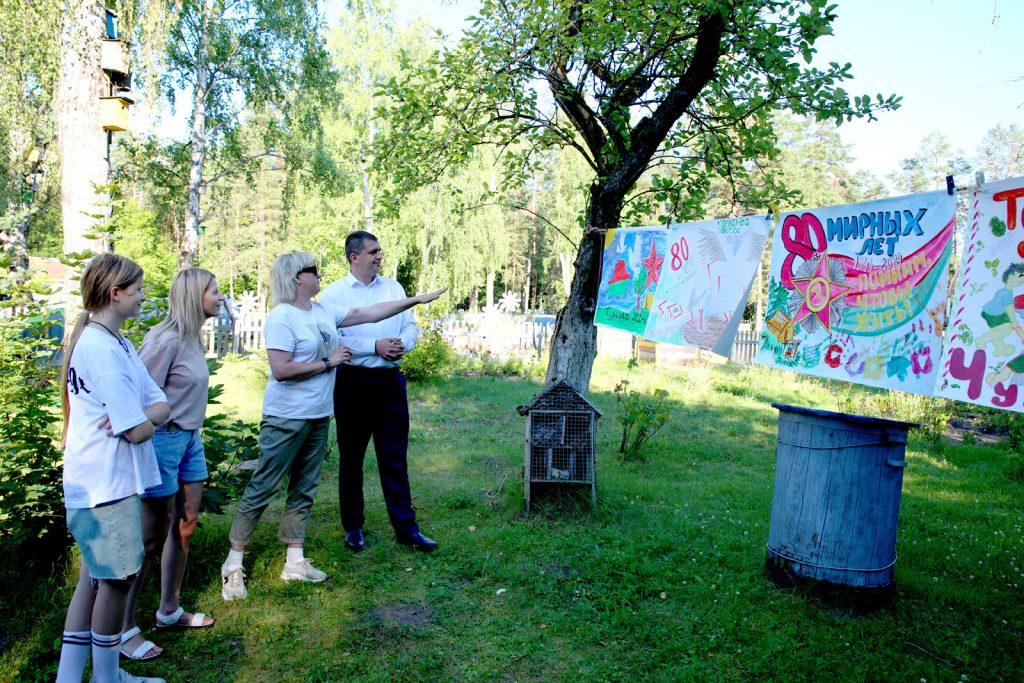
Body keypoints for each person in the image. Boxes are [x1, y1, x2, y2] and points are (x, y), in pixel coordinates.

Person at [220, 251, 444, 600]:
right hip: (286, 417)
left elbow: (367, 313)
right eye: (312, 270)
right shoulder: (282, 317)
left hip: (317, 414)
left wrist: (413, 300)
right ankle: (233, 565)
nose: (318, 273)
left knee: (304, 487)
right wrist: (329, 361)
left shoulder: (322, 310)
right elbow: (280, 369)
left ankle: (294, 561)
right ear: (297, 277)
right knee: (265, 485)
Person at [56, 253, 169, 683]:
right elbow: (135, 429)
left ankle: (70, 679)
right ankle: (107, 679)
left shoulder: (115, 341)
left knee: (93, 580)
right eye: (137, 289)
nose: (142, 296)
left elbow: (157, 404)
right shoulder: (101, 349)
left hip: (104, 484)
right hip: (104, 487)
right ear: (115, 293)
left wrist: (148, 417)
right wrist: (147, 418)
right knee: (117, 582)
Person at [119, 269, 222, 662]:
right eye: (214, 291)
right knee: (148, 538)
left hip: (189, 439)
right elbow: (137, 393)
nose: (221, 296)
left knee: (186, 523)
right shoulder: (165, 340)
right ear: (195, 295)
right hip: (163, 441)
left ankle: (169, 611)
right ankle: (124, 629)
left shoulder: (192, 337)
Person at [319, 231, 437, 553]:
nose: (379, 256)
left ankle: (406, 528)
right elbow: (333, 342)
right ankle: (353, 527)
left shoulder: (394, 288)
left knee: (394, 458)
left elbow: (410, 326)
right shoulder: (334, 294)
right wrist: (374, 346)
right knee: (352, 458)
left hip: (389, 384)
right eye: (373, 251)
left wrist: (403, 345)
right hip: (352, 382)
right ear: (354, 257)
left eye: (380, 251)